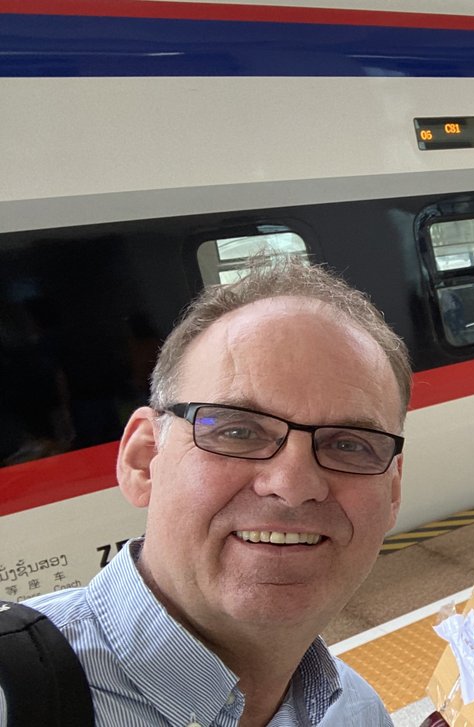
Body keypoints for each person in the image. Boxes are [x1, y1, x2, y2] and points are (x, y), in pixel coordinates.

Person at [23, 260, 409, 725]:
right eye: (238, 431)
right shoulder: (15, 694)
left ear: (391, 493)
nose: (292, 486)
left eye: (350, 445)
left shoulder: (356, 713)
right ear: (144, 460)